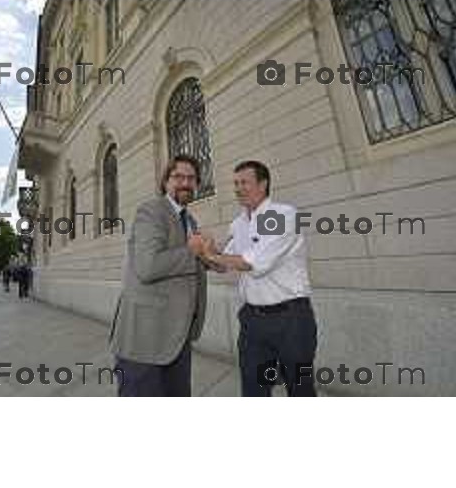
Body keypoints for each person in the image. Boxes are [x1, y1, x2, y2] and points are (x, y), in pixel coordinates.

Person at [189, 160, 318, 397]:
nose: (238, 189)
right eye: (235, 183)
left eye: (244, 182)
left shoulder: (285, 215)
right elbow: (223, 264)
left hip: (291, 320)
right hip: (253, 322)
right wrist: (204, 253)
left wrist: (211, 254)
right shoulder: (238, 224)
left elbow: (255, 263)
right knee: (253, 391)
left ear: (263, 184)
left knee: (300, 390)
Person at [107, 155, 211, 397]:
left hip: (177, 335)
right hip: (145, 340)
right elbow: (148, 266)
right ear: (165, 182)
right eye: (178, 177)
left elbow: (180, 263)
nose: (185, 182)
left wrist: (208, 260)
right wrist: (191, 252)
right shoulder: (152, 211)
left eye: (191, 178)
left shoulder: (190, 220)